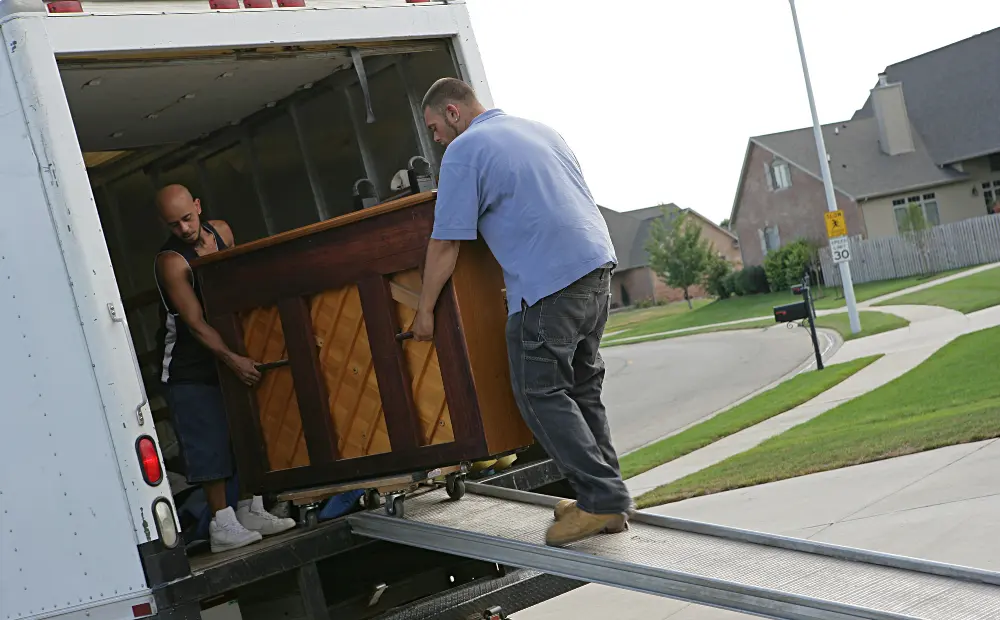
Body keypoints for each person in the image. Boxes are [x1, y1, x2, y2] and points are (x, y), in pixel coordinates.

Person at [412, 78, 632, 547]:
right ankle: (608, 501)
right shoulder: (540, 130)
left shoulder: (465, 150)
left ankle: (600, 498)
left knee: (539, 393)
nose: (435, 139)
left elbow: (447, 242)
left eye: (434, 127)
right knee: (582, 388)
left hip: (549, 284)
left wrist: (424, 310)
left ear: (453, 112)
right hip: (597, 269)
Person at [153, 184, 296, 553]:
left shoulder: (222, 232)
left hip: (230, 349)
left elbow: (238, 287)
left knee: (246, 431)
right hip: (189, 367)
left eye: (187, 218)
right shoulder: (171, 261)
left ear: (198, 206)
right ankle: (222, 523)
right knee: (209, 442)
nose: (184, 229)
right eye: (174, 225)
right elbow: (196, 324)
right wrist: (233, 360)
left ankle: (250, 509)